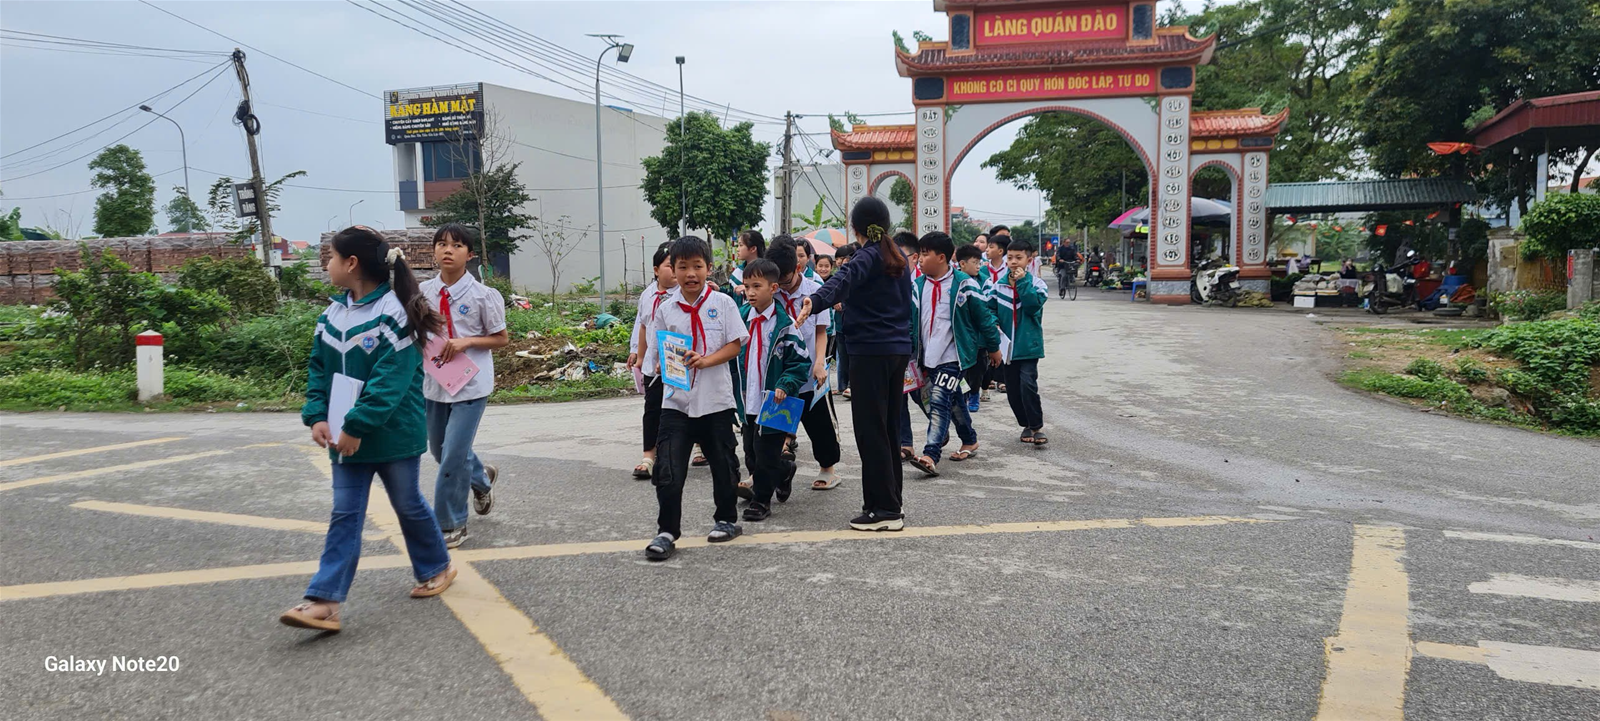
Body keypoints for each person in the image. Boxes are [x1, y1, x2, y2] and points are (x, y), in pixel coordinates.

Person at [281, 226, 454, 633]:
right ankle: (325, 601)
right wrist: (317, 415)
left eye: (331, 257)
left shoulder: (396, 314)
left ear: (351, 264)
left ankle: (437, 566)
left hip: (391, 433)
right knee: (345, 513)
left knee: (407, 505)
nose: (327, 264)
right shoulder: (331, 315)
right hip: (344, 435)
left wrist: (357, 424)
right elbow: (318, 369)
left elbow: (389, 381)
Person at [797, 197, 913, 532]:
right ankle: (889, 503)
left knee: (870, 431)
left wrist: (814, 300)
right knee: (887, 429)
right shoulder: (897, 256)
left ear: (856, 227)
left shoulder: (867, 255)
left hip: (871, 353)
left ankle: (884, 510)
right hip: (896, 351)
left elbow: (841, 280)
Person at [641, 236, 750, 561]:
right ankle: (666, 532)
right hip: (676, 402)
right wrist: (663, 362)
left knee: (724, 465)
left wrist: (705, 360)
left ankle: (726, 520)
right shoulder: (666, 309)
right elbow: (659, 349)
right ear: (673, 270)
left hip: (715, 401)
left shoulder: (723, 304)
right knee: (669, 469)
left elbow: (735, 344)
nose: (690, 273)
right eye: (683, 267)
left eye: (697, 266)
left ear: (708, 268)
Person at [419, 224, 509, 549]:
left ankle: (452, 523)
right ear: (433, 251)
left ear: (469, 254)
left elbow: (501, 338)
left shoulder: (484, 296)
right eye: (441, 244)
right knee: (439, 450)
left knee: (453, 456)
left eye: (457, 245)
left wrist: (466, 342)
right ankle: (481, 479)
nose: (448, 250)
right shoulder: (423, 293)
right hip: (436, 382)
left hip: (471, 385)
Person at [907, 232, 1002, 477]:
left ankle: (930, 455)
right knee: (950, 399)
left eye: (925, 254)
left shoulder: (964, 284)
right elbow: (909, 321)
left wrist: (994, 347)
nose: (920, 259)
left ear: (941, 257)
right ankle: (969, 439)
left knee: (940, 401)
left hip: (953, 357)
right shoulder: (917, 285)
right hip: (926, 357)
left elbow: (983, 318)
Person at [733, 258, 809, 521]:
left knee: (766, 452)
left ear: (773, 288)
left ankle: (761, 501)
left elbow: (800, 362)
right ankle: (784, 470)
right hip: (747, 399)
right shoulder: (741, 318)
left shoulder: (785, 325)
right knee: (751, 452)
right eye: (747, 286)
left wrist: (785, 383)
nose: (750, 292)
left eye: (757, 286)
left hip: (774, 401)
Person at [769, 235, 844, 491]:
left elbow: (822, 331)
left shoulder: (814, 289)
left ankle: (828, 469)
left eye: (785, 280)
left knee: (820, 425)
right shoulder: (771, 291)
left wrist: (820, 363)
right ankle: (771, 470)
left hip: (812, 371)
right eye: (776, 281)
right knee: (773, 426)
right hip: (781, 374)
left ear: (798, 268)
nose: (781, 285)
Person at [629, 243, 676, 480]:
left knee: (683, 410)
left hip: (677, 365)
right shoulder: (647, 295)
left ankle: (697, 448)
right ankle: (648, 456)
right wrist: (639, 356)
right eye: (670, 266)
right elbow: (643, 326)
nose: (675, 271)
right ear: (656, 270)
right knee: (652, 409)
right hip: (651, 365)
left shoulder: (684, 295)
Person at [995, 238, 1049, 446]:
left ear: (1029, 260)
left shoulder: (1037, 285)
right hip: (1006, 348)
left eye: (1019, 258)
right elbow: (989, 310)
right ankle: (1025, 423)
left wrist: (1023, 282)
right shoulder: (998, 286)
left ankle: (1036, 427)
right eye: (1010, 258)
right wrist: (993, 326)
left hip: (1028, 347)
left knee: (1028, 385)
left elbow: (1033, 306)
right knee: (1013, 390)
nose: (1014, 262)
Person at [955, 243, 991, 414]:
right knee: (961, 369)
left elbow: (988, 307)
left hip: (979, 337)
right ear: (962, 264)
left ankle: (975, 393)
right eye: (975, 263)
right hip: (960, 335)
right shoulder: (954, 281)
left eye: (979, 263)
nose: (978, 266)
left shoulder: (985, 281)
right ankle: (964, 394)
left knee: (978, 367)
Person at [982, 235, 1011, 398]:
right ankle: (989, 376)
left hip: (1003, 308)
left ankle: (1001, 378)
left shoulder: (1008, 270)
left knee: (1003, 342)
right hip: (987, 308)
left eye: (991, 247)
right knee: (989, 342)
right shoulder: (983, 269)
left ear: (1000, 251)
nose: (987, 250)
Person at [831, 243, 859, 399]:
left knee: (851, 355)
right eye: (838, 259)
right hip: (840, 323)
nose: (841, 262)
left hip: (853, 323)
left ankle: (851, 385)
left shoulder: (856, 275)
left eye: (843, 258)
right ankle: (842, 385)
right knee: (842, 356)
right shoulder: (837, 277)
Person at [725, 229, 766, 295]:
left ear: (753, 249)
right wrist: (718, 289)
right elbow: (731, 293)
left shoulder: (766, 271)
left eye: (741, 245)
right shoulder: (738, 271)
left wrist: (748, 288)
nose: (737, 249)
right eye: (738, 246)